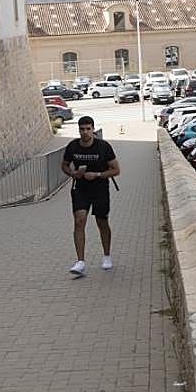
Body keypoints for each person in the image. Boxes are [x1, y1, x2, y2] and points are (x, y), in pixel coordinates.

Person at [61, 116, 120, 277]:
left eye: (88, 129)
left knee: (102, 222)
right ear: (78, 130)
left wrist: (98, 174)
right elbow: (64, 165)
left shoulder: (103, 146)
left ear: (93, 129)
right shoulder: (73, 146)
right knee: (79, 221)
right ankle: (80, 262)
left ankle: (107, 255)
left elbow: (116, 169)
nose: (85, 132)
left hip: (100, 188)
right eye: (82, 129)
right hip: (80, 188)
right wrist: (73, 173)